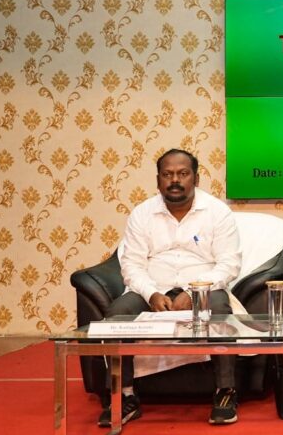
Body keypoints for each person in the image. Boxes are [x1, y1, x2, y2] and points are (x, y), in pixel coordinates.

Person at [100, 149, 242, 427]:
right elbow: (131, 265)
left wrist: (194, 293)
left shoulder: (217, 212)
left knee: (220, 308)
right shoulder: (142, 213)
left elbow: (229, 264)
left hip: (203, 288)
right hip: (153, 288)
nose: (174, 180)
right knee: (117, 313)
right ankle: (123, 396)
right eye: (167, 174)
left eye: (182, 173)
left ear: (196, 178)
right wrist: (151, 293)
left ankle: (225, 392)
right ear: (158, 180)